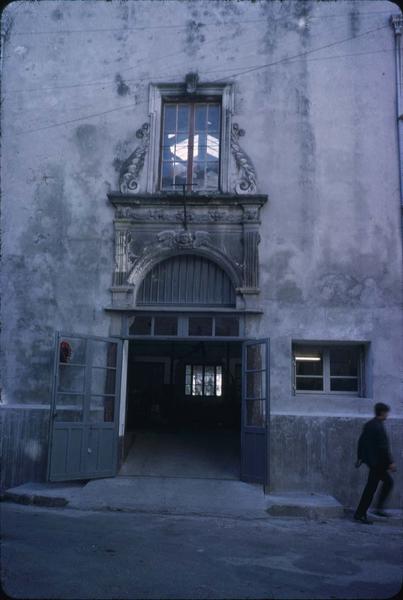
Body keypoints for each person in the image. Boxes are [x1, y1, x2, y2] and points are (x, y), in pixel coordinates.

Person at [354, 402, 396, 524]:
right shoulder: (378, 426)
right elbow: (383, 447)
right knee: (372, 488)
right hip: (378, 464)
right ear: (382, 412)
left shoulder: (369, 424)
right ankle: (361, 513)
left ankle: (373, 509)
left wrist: (360, 458)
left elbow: (361, 442)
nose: (387, 415)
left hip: (373, 463)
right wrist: (390, 463)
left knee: (381, 485)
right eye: (387, 412)